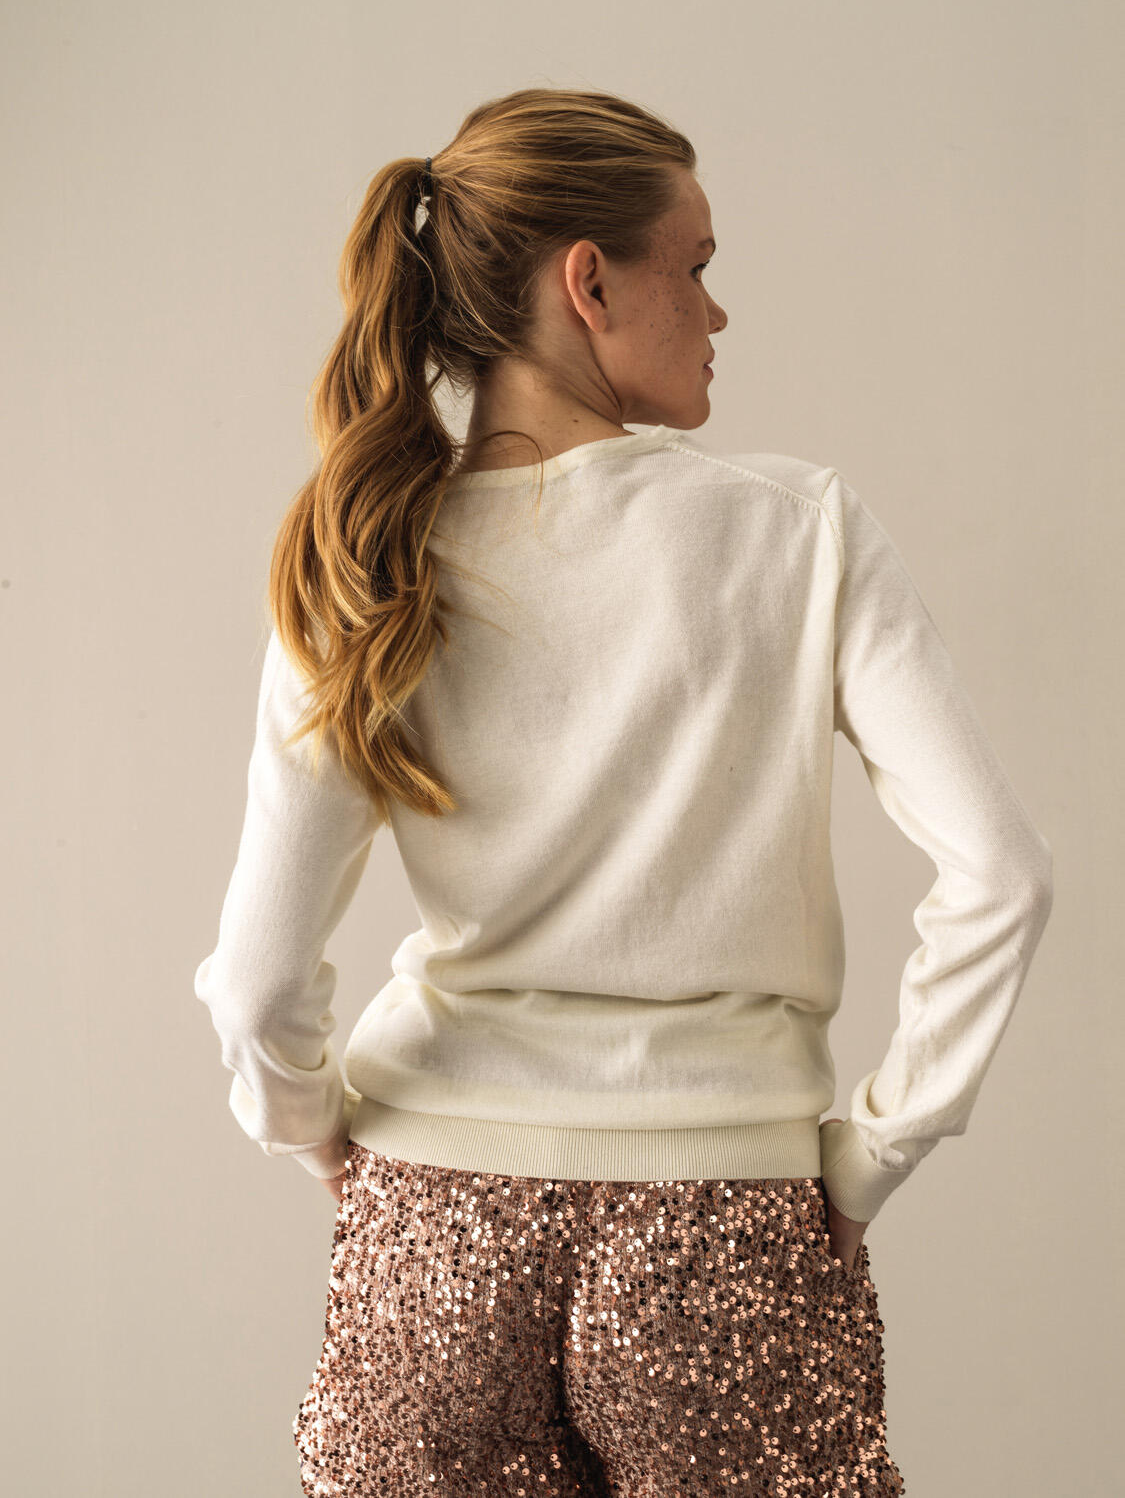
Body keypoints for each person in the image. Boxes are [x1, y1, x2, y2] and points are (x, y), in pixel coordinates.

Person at [193, 86, 1054, 1496]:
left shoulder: (364, 556)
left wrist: (329, 1149)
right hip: (726, 1232)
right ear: (587, 282)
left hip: (432, 1230)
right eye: (695, 266)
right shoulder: (797, 532)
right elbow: (1004, 874)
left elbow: (255, 982)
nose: (716, 310)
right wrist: (872, 1154)